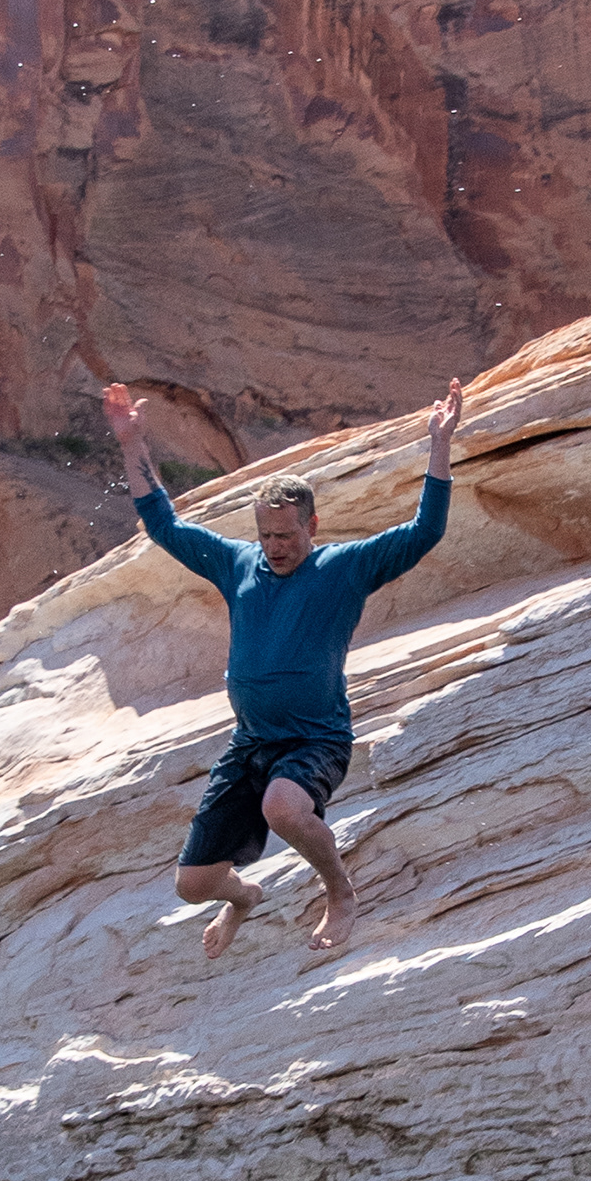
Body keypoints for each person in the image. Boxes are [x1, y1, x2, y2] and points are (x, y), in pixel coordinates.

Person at [103, 378, 463, 960]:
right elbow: (164, 526)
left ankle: (341, 894)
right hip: (251, 744)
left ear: (312, 527)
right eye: (266, 535)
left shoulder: (343, 568)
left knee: (283, 807)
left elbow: (426, 532)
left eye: (287, 535)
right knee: (191, 886)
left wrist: (440, 446)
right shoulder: (237, 563)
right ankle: (242, 896)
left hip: (315, 738)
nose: (275, 547)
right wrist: (130, 441)